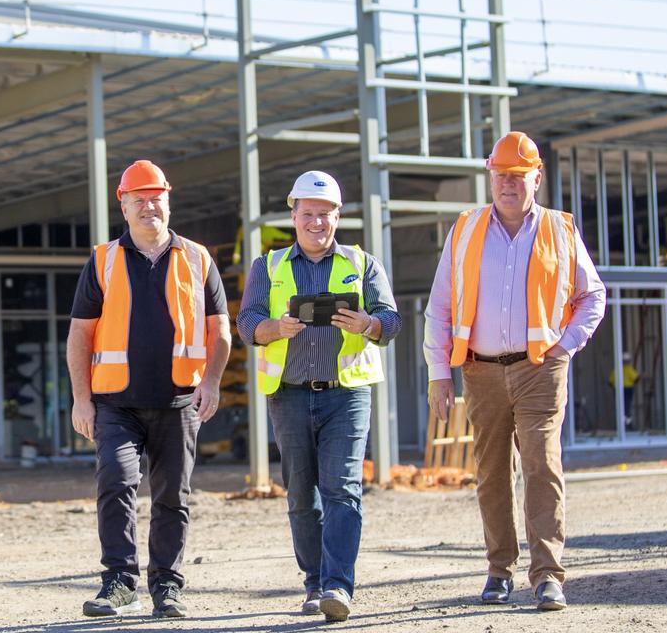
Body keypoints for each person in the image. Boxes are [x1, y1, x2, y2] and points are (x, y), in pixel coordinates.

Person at [424, 131, 607, 612]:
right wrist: (438, 371)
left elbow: (593, 296)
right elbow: (440, 305)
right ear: (491, 178)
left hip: (538, 369)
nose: (508, 185)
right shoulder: (465, 229)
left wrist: (564, 347)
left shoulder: (560, 230)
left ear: (536, 179)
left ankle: (548, 575)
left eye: (518, 177)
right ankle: (498, 570)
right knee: (490, 473)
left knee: (541, 466)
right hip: (479, 371)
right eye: (501, 176)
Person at [66, 159, 231, 619]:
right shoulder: (103, 260)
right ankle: (119, 582)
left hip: (179, 401)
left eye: (155, 198)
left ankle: (167, 587)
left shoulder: (198, 259)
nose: (148, 207)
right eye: (138, 199)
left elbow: (221, 330)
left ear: (168, 201)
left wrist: (213, 382)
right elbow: (80, 335)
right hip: (116, 403)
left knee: (172, 497)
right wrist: (82, 399)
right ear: (123, 205)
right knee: (116, 483)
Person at [236, 170, 402, 622]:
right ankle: (313, 582)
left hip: (346, 394)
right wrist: (272, 329)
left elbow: (391, 319)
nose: (316, 222)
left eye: (324, 214)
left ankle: (337, 586)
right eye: (308, 214)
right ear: (293, 216)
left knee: (343, 489)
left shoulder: (361, 263)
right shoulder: (267, 267)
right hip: (288, 396)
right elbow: (247, 321)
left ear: (337, 216)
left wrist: (367, 324)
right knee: (300, 496)